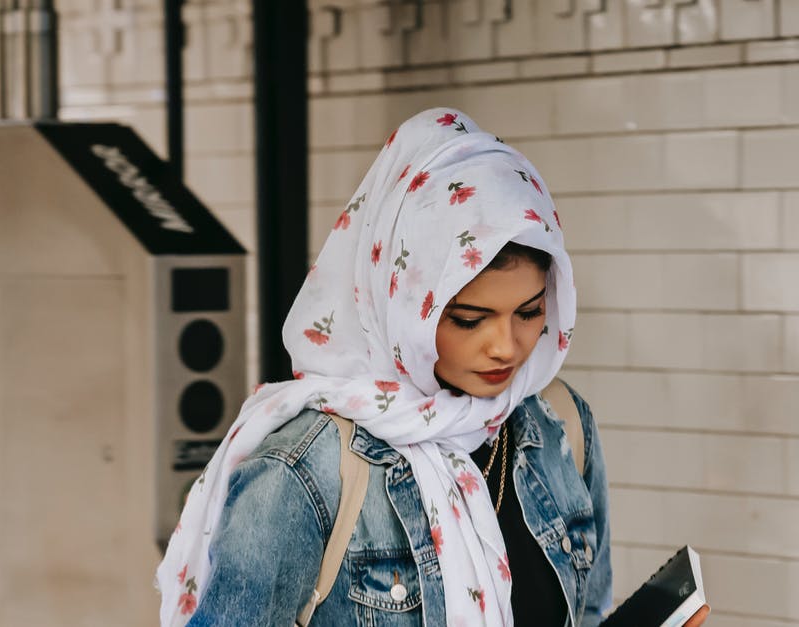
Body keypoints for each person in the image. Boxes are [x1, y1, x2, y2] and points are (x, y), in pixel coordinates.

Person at [156, 109, 710, 626]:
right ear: (401, 309)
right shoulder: (306, 473)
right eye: (471, 319)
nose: (506, 347)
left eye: (530, 312)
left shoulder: (557, 427)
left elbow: (588, 610)